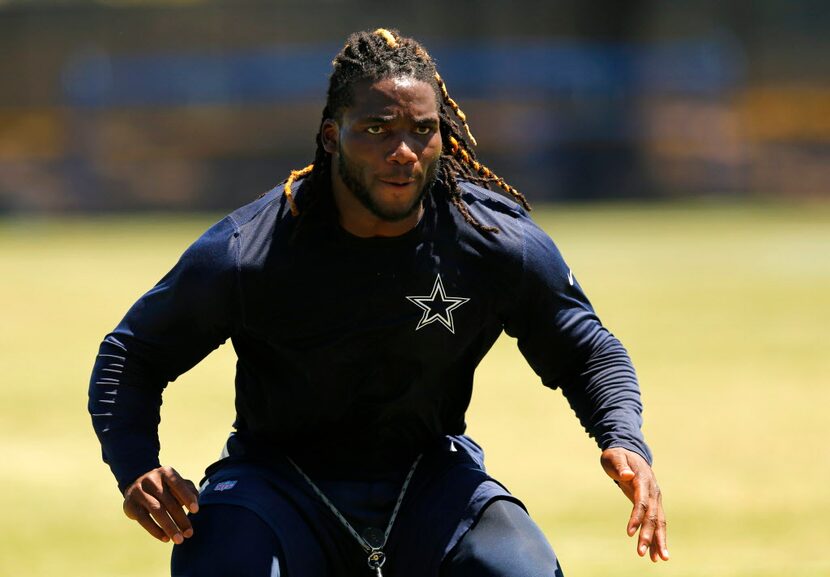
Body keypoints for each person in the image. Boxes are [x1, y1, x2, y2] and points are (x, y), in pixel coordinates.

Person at [89, 28, 668, 577]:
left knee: (518, 566)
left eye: (422, 129)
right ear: (330, 136)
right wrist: (137, 464)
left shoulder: (494, 243)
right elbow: (131, 355)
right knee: (218, 562)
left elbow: (586, 350)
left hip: (430, 481)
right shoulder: (250, 252)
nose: (404, 151)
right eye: (377, 128)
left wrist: (624, 439)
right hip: (276, 486)